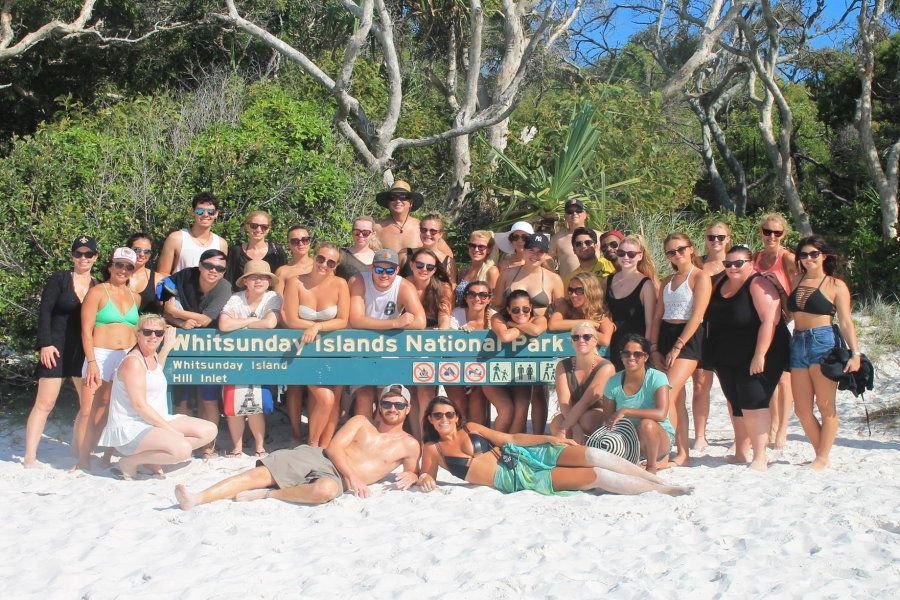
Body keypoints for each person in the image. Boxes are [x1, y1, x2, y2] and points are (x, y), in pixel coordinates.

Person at [175, 384, 421, 509]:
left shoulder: (409, 444)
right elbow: (334, 449)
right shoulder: (361, 422)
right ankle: (198, 498)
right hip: (323, 459)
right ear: (380, 405)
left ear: (408, 409)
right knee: (260, 474)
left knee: (323, 491)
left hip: (337, 479)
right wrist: (353, 477)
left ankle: (270, 494)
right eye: (388, 403)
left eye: (399, 406)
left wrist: (413, 475)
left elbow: (413, 472)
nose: (392, 409)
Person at [417, 395, 689, 496]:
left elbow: (512, 439)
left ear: (456, 416)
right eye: (438, 415)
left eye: (449, 414)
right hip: (515, 477)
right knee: (596, 475)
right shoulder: (433, 450)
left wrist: (550, 438)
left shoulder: (472, 428)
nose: (444, 419)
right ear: (430, 419)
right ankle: (662, 492)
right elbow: (428, 474)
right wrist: (422, 477)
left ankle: (653, 479)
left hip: (520, 454)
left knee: (593, 453)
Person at [99, 315, 218, 479]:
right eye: (147, 332)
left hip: (155, 420)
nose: (153, 336)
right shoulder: (133, 362)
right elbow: (140, 406)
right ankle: (130, 462)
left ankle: (152, 457)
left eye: (158, 333)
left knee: (210, 430)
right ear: (138, 334)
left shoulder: (151, 355)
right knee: (182, 449)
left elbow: (154, 373)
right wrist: (170, 431)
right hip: (133, 427)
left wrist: (166, 347)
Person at [705, 245, 790, 471]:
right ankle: (741, 452)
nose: (732, 268)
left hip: (761, 352)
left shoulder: (758, 283)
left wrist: (760, 355)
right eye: (728, 264)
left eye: (738, 263)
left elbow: (769, 321)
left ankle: (760, 455)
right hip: (728, 353)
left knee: (754, 401)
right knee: (736, 402)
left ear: (750, 263)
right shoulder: (720, 283)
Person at [23, 236, 98, 468]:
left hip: (82, 351)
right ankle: (29, 456)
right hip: (54, 347)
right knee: (44, 403)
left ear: (95, 257)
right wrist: (44, 343)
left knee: (88, 406)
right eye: (78, 253)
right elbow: (44, 311)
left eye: (88, 254)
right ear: (72, 256)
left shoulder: (98, 285)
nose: (83, 258)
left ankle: (77, 449)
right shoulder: (59, 279)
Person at [789, 235, 860, 470]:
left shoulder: (835, 285)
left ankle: (821, 457)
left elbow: (847, 322)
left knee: (826, 405)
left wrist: (855, 353)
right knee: (801, 410)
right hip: (797, 341)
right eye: (804, 254)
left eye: (814, 254)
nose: (808, 259)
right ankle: (821, 453)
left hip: (823, 341)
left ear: (823, 256)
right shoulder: (796, 279)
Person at [161, 248, 232, 456]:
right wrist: (178, 320)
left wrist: (175, 312)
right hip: (181, 343)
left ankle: (209, 445)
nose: (213, 271)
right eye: (209, 265)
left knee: (208, 398)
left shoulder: (224, 287)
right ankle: (181, 444)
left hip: (209, 346)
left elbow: (205, 320)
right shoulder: (182, 277)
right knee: (181, 397)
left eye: (219, 268)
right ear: (200, 265)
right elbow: (163, 304)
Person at [648, 233, 711, 467]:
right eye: (671, 252)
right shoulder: (666, 281)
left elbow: (697, 315)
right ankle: (682, 453)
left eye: (681, 249)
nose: (677, 255)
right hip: (665, 334)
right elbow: (657, 315)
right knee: (676, 399)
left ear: (691, 249)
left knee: (668, 392)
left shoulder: (700, 277)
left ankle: (665, 450)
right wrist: (654, 347)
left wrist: (678, 345)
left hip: (688, 337)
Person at [75, 247, 140, 470]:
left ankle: (98, 451)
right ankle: (82, 458)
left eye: (128, 266)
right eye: (119, 265)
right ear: (111, 266)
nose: (123, 270)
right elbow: (85, 330)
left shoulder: (136, 297)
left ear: (133, 270)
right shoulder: (97, 292)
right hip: (100, 354)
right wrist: (91, 361)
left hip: (124, 356)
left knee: (110, 407)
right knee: (87, 409)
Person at [281, 243, 350, 447]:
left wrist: (316, 328)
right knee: (325, 398)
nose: (324, 264)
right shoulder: (295, 282)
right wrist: (315, 327)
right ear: (314, 257)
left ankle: (322, 444)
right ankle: (311, 442)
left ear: (335, 265)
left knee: (333, 398)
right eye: (320, 259)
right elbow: (291, 319)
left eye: (331, 262)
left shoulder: (340, 284)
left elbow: (343, 320)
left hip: (329, 350)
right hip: (302, 352)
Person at [348, 249, 426, 417]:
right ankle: (364, 439)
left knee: (390, 396)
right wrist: (395, 323)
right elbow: (355, 320)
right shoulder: (358, 281)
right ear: (372, 268)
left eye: (390, 270)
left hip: (389, 350)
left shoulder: (404, 286)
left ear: (397, 270)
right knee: (364, 396)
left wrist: (375, 325)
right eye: (379, 270)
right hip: (361, 350)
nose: (384, 275)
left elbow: (420, 322)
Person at [219, 260, 284, 458]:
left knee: (256, 402)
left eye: (263, 277)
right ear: (245, 280)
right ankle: (237, 447)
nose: (259, 280)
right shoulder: (236, 299)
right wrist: (251, 321)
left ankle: (259, 446)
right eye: (254, 277)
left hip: (261, 359)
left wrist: (239, 324)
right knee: (233, 401)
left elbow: (270, 323)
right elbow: (223, 324)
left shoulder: (273, 297)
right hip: (235, 358)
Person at [600, 334, 676, 474]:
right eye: (626, 353)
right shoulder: (613, 382)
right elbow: (608, 419)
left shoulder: (657, 377)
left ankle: (651, 467)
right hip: (629, 437)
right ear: (621, 356)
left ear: (646, 357)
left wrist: (626, 411)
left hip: (659, 437)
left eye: (637, 354)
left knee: (647, 424)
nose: (631, 357)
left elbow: (661, 414)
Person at [752, 213, 796, 449]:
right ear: (761, 232)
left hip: (784, 321)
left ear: (783, 234)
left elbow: (797, 290)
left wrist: (779, 286)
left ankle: (782, 429)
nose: (771, 236)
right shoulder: (756, 257)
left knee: (783, 379)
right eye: (767, 231)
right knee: (768, 376)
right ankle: (772, 423)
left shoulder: (787, 258)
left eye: (776, 233)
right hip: (760, 322)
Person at [691, 221, 732, 452]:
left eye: (720, 237)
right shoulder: (697, 264)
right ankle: (699, 435)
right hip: (702, 328)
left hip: (728, 330)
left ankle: (739, 433)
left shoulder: (735, 263)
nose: (715, 241)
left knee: (731, 386)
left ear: (728, 239)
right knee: (700, 385)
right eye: (711, 237)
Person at [484, 290, 548, 433]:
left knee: (522, 406)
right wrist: (525, 327)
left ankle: (513, 447)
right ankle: (497, 445)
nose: (521, 313)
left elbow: (537, 330)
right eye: (515, 310)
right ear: (508, 309)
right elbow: (505, 337)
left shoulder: (539, 319)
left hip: (519, 372)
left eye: (525, 309)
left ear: (531, 307)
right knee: (507, 409)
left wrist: (513, 323)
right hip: (493, 371)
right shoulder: (497, 318)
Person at [549, 322, 615, 444]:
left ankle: (583, 449)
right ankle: (569, 452)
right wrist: (575, 428)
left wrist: (566, 428)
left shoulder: (606, 367)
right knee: (555, 424)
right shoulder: (562, 365)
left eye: (586, 337)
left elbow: (586, 402)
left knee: (586, 421)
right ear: (572, 342)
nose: (581, 340)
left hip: (599, 412)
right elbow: (564, 403)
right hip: (573, 412)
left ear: (595, 341)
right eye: (576, 337)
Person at [605, 234, 658, 370]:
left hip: (636, 348)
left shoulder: (646, 284)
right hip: (613, 344)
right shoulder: (609, 280)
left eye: (631, 254)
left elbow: (650, 323)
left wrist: (645, 350)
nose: (626, 257)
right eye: (621, 253)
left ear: (640, 256)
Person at [446, 280, 492, 425]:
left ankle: (475, 439)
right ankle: (460, 437)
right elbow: (447, 338)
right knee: (459, 403)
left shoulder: (494, 316)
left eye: (483, 295)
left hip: (483, 369)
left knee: (477, 401)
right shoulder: (457, 314)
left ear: (489, 298)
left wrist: (490, 326)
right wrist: (461, 335)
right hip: (456, 367)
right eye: (472, 294)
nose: (477, 299)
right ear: (465, 297)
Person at [156, 191, 228, 276]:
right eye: (200, 211)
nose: (205, 214)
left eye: (210, 211)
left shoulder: (221, 244)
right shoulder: (176, 238)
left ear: (216, 214)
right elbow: (162, 273)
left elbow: (220, 275)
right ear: (192, 211)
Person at [549, 272, 614, 353]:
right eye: (570, 290)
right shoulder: (566, 304)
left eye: (579, 291)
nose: (573, 295)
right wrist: (585, 323)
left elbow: (605, 340)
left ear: (590, 291)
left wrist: (584, 328)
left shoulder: (600, 311)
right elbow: (553, 325)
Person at [224, 210, 286, 292]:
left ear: (268, 229)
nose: (258, 229)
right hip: (241, 301)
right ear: (247, 226)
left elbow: (283, 279)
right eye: (254, 226)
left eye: (264, 227)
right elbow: (229, 279)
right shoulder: (236, 251)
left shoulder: (276, 251)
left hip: (269, 301)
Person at [549, 199, 606, 280]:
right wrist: (554, 278)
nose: (574, 214)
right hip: (569, 289)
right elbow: (548, 260)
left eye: (578, 210)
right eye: (570, 211)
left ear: (585, 214)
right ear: (565, 216)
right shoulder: (557, 238)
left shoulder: (599, 236)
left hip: (594, 287)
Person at [400, 213, 456, 282]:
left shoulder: (448, 262)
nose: (427, 234)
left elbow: (451, 288)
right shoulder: (405, 254)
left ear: (440, 234)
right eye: (424, 230)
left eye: (433, 231)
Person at [454, 230, 500, 305]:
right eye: (472, 245)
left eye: (481, 247)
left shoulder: (491, 271)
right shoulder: (463, 271)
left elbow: (493, 302)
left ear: (489, 250)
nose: (476, 249)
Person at [126, 233, 165, 314]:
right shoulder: (117, 276)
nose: (142, 254)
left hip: (150, 325)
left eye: (147, 251)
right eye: (137, 250)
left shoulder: (158, 279)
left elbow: (167, 310)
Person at [336, 215, 380, 281]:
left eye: (365, 233)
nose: (360, 235)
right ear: (352, 232)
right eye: (357, 232)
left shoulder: (379, 258)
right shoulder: (340, 254)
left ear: (373, 234)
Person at [274, 225, 314, 294]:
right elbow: (277, 302)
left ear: (310, 242)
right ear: (288, 244)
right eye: (295, 241)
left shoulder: (321, 267)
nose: (300, 244)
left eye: (305, 240)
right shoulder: (282, 272)